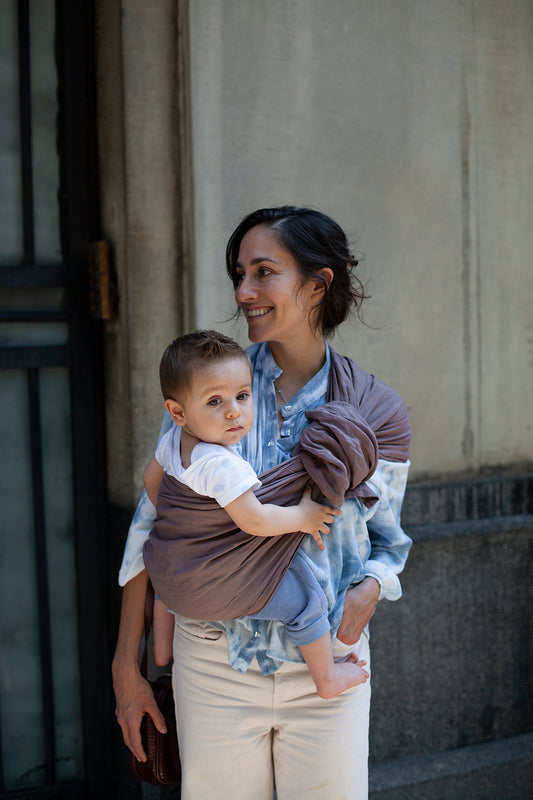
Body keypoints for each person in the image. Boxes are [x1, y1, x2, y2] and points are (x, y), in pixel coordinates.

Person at [113, 206, 412, 799]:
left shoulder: (376, 412)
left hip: (327, 658)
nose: (244, 291)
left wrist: (371, 589)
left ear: (317, 284)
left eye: (263, 272)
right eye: (239, 274)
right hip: (214, 660)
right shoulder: (213, 388)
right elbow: (155, 527)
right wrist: (128, 666)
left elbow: (390, 541)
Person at [143, 329, 369, 699]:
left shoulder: (173, 441)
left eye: (242, 396)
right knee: (305, 596)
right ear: (178, 412)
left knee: (166, 554)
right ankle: (327, 676)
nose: (234, 411)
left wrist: (180, 525)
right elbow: (256, 520)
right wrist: (304, 517)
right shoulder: (221, 464)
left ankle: (162, 650)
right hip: (212, 589)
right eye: (215, 401)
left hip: (171, 583)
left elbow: (151, 479)